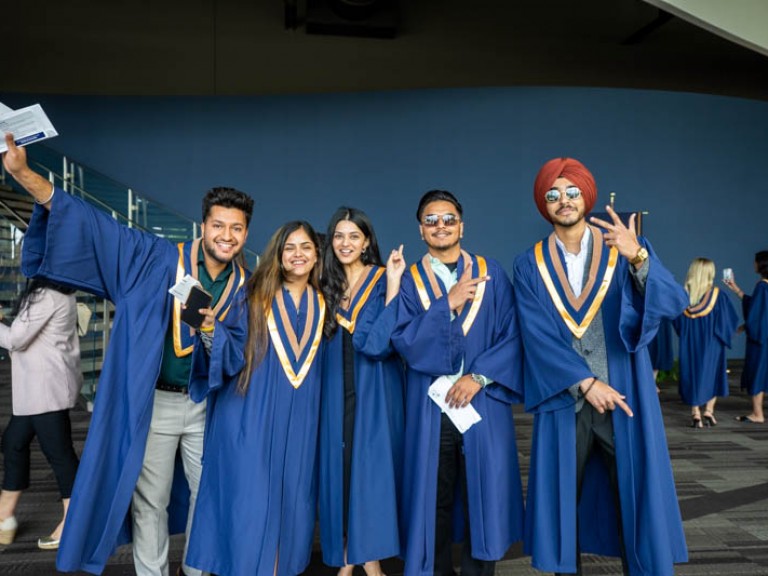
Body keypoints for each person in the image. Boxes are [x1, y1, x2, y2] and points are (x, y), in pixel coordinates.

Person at [1, 132, 253, 576]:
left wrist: (211, 329)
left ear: (246, 232)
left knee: (208, 495)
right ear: (203, 225)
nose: (227, 236)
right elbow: (92, 223)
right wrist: (23, 174)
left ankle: (197, 570)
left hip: (206, 406)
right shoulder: (157, 258)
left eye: (236, 228)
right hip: (154, 402)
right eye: (219, 225)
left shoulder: (244, 287)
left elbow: (240, 351)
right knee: (150, 500)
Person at [513, 157, 688, 576]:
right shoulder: (528, 262)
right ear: (544, 204)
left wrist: (640, 259)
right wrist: (585, 381)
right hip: (565, 398)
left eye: (571, 192)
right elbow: (537, 335)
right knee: (562, 504)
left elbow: (673, 303)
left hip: (624, 394)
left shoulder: (621, 247)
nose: (563, 200)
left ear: (586, 196)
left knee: (634, 497)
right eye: (552, 195)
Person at [391, 190, 524, 576]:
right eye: (431, 220)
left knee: (483, 492)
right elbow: (403, 340)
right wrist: (444, 304)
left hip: (480, 401)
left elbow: (512, 335)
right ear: (421, 230)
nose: (441, 226)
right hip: (431, 407)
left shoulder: (491, 274)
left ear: (461, 226)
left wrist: (478, 377)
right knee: (435, 496)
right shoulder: (412, 281)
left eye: (448, 219)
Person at [185, 221, 326, 576]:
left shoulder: (324, 302)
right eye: (290, 247)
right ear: (278, 254)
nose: (298, 255)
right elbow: (230, 351)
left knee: (291, 505)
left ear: (316, 254)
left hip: (300, 424)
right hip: (251, 416)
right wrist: (207, 328)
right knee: (250, 505)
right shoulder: (251, 296)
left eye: (306, 247)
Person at [318, 207, 406, 576]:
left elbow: (384, 342)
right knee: (339, 469)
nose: (345, 243)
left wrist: (397, 283)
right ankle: (349, 552)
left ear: (367, 241)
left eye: (354, 236)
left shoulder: (384, 279)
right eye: (339, 236)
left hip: (374, 384)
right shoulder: (324, 282)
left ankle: (369, 559)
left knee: (370, 469)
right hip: (333, 384)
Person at [0, 278, 81, 550]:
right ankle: (5, 515)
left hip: (46, 390)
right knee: (14, 441)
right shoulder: (55, 293)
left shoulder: (47, 295)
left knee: (59, 453)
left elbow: (15, 339)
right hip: (37, 390)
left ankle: (74, 520)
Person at [673, 258, 738, 428]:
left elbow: (677, 323)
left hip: (690, 344)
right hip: (712, 344)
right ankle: (708, 412)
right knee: (713, 374)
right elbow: (727, 321)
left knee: (693, 373)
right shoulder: (719, 296)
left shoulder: (683, 296)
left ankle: (696, 414)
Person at [723, 250, 768, 423]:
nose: (753, 264)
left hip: (761, 340)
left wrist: (745, 326)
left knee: (757, 371)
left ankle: (757, 414)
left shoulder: (762, 286)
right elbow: (757, 307)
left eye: (755, 262)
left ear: (761, 265)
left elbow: (757, 315)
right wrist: (736, 289)